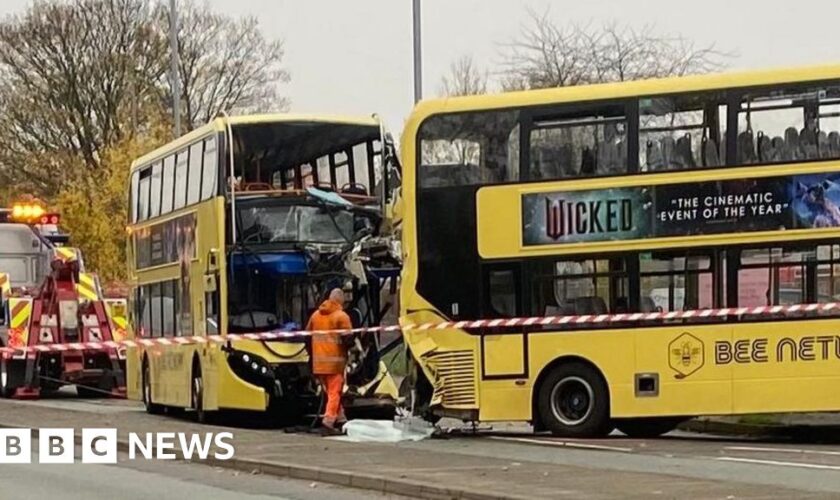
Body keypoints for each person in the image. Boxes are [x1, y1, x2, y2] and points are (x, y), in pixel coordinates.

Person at [306, 288, 352, 434]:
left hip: (318, 364)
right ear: (341, 301)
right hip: (334, 363)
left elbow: (306, 336)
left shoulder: (315, 315)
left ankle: (341, 419)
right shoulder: (341, 316)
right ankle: (329, 422)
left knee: (331, 393)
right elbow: (348, 340)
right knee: (335, 393)